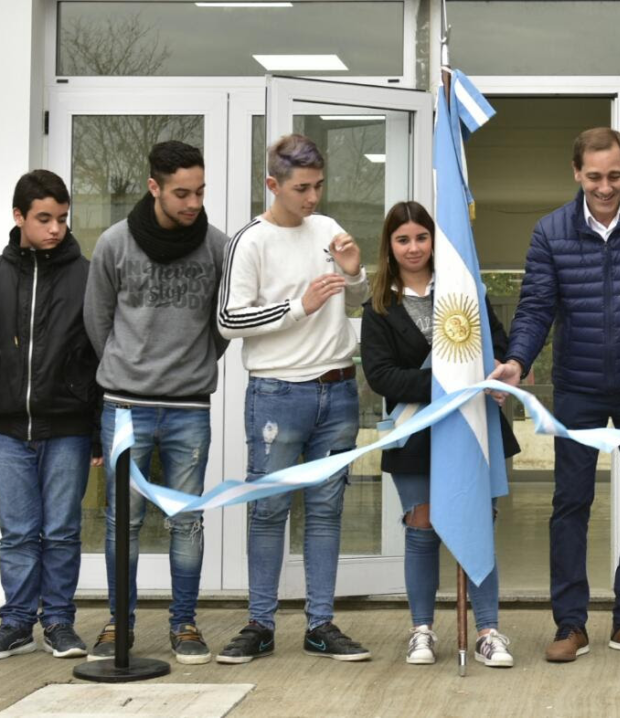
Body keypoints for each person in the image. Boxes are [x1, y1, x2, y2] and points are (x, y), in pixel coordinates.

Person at [489, 127, 620, 662]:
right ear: (576, 173)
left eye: (616, 176)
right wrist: (517, 360)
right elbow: (535, 309)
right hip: (578, 388)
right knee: (570, 503)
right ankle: (570, 626)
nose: (606, 188)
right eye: (595, 177)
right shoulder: (550, 231)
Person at [215, 133, 370, 664]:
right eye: (302, 188)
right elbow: (228, 320)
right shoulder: (250, 241)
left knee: (326, 512)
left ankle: (320, 624)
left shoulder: (327, 229)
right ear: (272, 185)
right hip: (277, 393)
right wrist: (298, 307)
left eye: (319, 185)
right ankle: (259, 624)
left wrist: (354, 272)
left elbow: (361, 299)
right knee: (269, 511)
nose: (313, 198)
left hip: (338, 388)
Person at [83, 141, 230, 664]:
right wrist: (128, 369)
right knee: (123, 520)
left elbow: (222, 327)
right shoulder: (114, 244)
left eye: (200, 191)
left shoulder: (217, 246)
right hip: (124, 405)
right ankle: (117, 624)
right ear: (154, 188)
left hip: (189, 407)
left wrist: (190, 368)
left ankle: (184, 624)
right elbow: (98, 322)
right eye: (181, 193)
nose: (193, 202)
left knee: (186, 520)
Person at [361, 201, 520, 668]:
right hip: (416, 431)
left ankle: (488, 630)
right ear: (389, 246)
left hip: (471, 425)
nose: (413, 248)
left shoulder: (463, 292)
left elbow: (499, 348)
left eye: (421, 237)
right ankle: (422, 631)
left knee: (476, 525)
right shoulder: (378, 305)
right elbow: (381, 376)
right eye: (403, 239)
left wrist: (495, 373)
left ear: (434, 240)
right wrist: (446, 382)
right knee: (423, 527)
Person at [0, 170, 101, 661]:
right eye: (44, 219)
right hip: (4, 428)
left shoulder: (88, 277)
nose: (55, 228)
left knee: (62, 531)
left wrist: (95, 432)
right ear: (19, 217)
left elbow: (99, 357)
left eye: (63, 219)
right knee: (20, 532)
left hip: (67, 427)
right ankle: (15, 622)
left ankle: (59, 623)